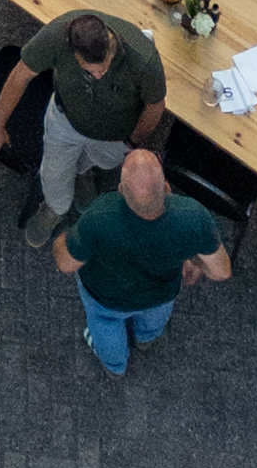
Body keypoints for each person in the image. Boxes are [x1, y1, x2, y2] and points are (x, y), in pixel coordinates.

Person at [0, 10, 166, 247]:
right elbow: (21, 75)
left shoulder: (143, 58)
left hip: (115, 135)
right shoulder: (55, 36)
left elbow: (155, 106)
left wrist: (132, 142)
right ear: (72, 51)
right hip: (65, 123)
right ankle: (54, 209)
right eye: (90, 70)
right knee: (53, 177)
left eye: (104, 67)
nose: (99, 75)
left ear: (111, 43)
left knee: (102, 161)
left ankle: (81, 172)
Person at [54, 148, 229, 381]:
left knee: (105, 325)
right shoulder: (193, 217)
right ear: (166, 187)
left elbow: (66, 264)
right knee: (154, 318)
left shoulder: (101, 215)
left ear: (120, 190)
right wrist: (196, 263)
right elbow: (221, 271)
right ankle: (145, 338)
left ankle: (115, 366)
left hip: (106, 298)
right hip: (160, 295)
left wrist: (61, 240)